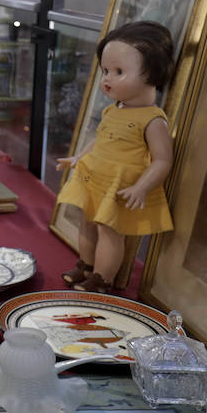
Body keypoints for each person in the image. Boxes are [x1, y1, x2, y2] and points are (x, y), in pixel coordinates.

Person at [56, 21, 175, 293]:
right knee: (87, 221)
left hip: (119, 187)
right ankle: (85, 265)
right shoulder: (114, 111)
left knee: (109, 230)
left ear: (152, 74)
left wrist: (142, 187)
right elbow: (101, 140)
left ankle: (102, 278)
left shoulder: (153, 120)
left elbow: (162, 160)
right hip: (95, 178)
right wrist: (78, 158)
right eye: (105, 71)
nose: (107, 79)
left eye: (118, 71)